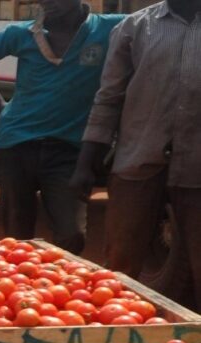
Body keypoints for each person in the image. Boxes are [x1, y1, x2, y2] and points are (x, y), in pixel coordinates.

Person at [71, 0, 201, 308]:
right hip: (138, 159)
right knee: (121, 265)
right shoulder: (135, 27)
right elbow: (109, 97)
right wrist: (85, 163)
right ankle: (117, 333)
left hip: (197, 166)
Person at [0, 0, 123, 254]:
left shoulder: (111, 28)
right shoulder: (20, 34)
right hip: (15, 146)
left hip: (68, 151)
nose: (47, 3)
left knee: (72, 235)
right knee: (17, 239)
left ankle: (59, 279)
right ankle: (21, 280)